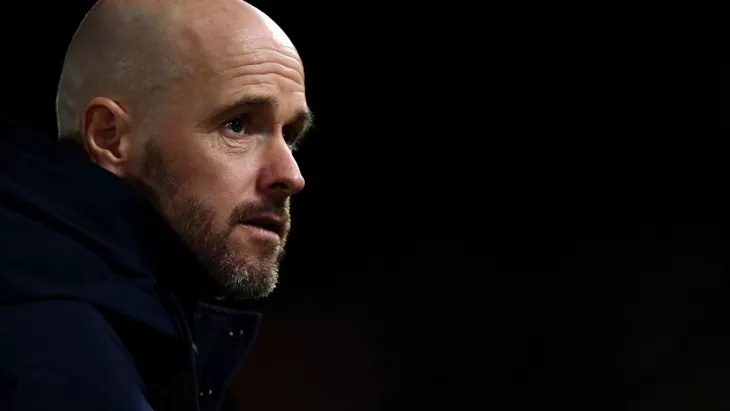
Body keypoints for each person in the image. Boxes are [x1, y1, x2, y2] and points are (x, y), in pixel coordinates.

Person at [0, 0, 310, 409]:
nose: (291, 176)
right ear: (110, 136)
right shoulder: (62, 365)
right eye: (237, 124)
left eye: (290, 135)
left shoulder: (121, 326)